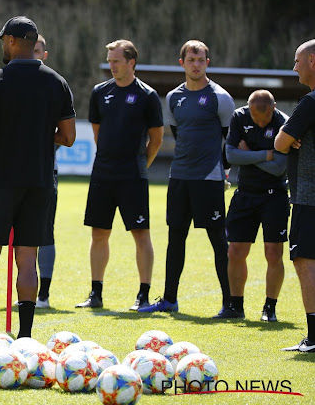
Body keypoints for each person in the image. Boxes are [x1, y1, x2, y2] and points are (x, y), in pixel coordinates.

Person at [0, 16, 76, 340]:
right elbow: (68, 137)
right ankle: (26, 338)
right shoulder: (57, 81)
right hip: (40, 182)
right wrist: (40, 136)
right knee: (28, 260)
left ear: (12, 40)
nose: (2, 46)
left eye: (2, 41)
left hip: (1, 181)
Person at [138, 40, 235, 317]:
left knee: (218, 240)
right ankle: (169, 299)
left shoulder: (220, 97)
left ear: (207, 62)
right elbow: (179, 134)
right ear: (182, 63)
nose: (196, 65)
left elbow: (230, 141)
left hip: (209, 179)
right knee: (175, 237)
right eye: (191, 60)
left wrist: (223, 172)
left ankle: (230, 304)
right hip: (179, 177)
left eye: (201, 60)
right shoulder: (173, 98)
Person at [75, 40, 163, 311]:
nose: (112, 66)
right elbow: (98, 133)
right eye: (110, 61)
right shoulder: (100, 92)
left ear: (131, 63)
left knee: (140, 234)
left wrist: (140, 164)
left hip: (133, 175)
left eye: (116, 61)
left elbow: (156, 139)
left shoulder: (148, 96)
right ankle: (96, 293)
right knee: (99, 233)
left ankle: (143, 294)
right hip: (103, 173)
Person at [225, 90, 288, 321]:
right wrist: (264, 154)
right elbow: (231, 155)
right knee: (235, 251)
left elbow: (279, 167)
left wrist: (249, 154)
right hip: (245, 195)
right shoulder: (239, 117)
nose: (260, 123)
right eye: (256, 119)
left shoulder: (284, 123)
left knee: (273, 254)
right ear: (249, 110)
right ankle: (236, 306)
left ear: (273, 108)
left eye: (265, 119)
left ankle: (269, 308)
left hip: (275, 196)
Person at [274, 39, 315, 352]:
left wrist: (290, 136)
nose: (294, 67)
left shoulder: (310, 102)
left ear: (312, 61)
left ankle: (314, 337)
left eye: (297, 61)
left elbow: (280, 143)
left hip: (309, 197)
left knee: (305, 260)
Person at [32, 34, 58, 308]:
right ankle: (23, 291)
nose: (34, 55)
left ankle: (44, 294)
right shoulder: (11, 84)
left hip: (46, 173)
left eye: (37, 51)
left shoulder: (54, 85)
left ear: (44, 54)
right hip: (14, 174)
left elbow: (64, 134)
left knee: (45, 232)